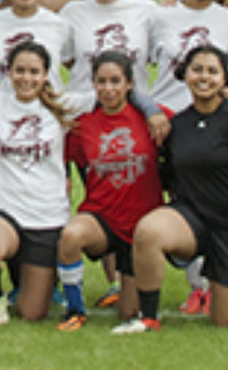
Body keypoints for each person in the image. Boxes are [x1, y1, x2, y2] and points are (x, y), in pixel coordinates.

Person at [116, 45, 228, 333]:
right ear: (184, 74)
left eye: (212, 71)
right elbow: (168, 178)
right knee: (149, 231)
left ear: (225, 78)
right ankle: (148, 317)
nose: (204, 77)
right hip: (192, 219)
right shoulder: (178, 124)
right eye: (197, 70)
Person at [146, 0, 228, 315]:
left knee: (211, 199)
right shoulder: (161, 16)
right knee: (176, 199)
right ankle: (192, 283)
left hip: (212, 121)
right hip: (168, 121)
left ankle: (209, 284)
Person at [0, 41, 78, 325]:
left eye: (34, 72)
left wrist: (153, 112)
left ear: (46, 74)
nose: (26, 78)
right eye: (20, 71)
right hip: (5, 209)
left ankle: (40, 284)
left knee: (32, 313)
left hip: (47, 217)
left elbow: (112, 93)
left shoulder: (64, 105)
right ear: (7, 73)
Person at [57, 52, 170, 331]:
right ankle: (75, 309)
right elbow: (59, 156)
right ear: (93, 84)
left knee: (129, 312)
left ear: (130, 84)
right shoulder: (84, 124)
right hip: (101, 215)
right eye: (101, 81)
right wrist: (65, 178)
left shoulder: (155, 118)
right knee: (71, 236)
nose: (108, 88)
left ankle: (127, 290)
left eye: (115, 81)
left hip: (142, 225)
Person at [58, 0, 156, 117]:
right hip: (85, 112)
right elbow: (68, 60)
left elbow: (154, 58)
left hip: (133, 112)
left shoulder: (146, 10)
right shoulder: (72, 13)